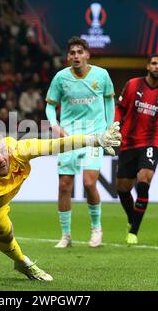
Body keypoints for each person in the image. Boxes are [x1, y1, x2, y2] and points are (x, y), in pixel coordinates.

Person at [0, 124, 122, 281]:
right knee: (6, 235)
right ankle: (22, 263)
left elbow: (56, 144)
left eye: (3, 151)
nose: (2, 159)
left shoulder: (19, 150)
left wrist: (94, 139)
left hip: (1, 199)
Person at [45, 36, 115, 248]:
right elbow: (49, 106)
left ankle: (96, 229)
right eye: (72, 53)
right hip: (69, 138)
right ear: (68, 57)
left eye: (79, 52)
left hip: (94, 136)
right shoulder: (60, 78)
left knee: (88, 183)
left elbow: (109, 102)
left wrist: (108, 129)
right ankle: (66, 235)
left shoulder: (102, 75)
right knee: (64, 185)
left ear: (87, 55)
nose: (76, 56)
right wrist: (55, 125)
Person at [115, 53, 158, 245]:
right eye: (154, 63)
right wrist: (116, 126)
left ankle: (133, 231)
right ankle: (131, 218)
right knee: (123, 189)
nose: (157, 66)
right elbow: (120, 108)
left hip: (152, 142)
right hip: (128, 142)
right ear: (148, 66)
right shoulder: (133, 85)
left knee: (144, 179)